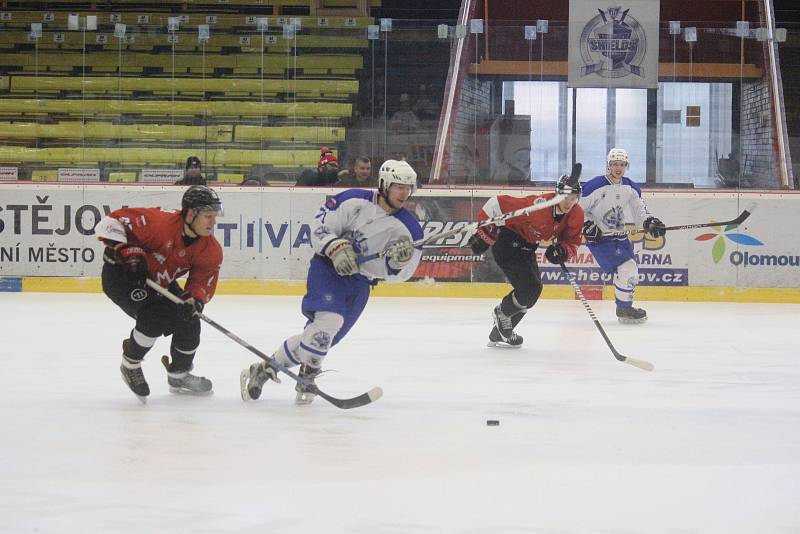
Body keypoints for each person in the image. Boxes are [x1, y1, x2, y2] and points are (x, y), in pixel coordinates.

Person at [240, 159, 423, 405]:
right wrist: (335, 247)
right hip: (328, 268)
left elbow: (403, 273)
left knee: (321, 337)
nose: (405, 193)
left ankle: (263, 369)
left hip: (360, 284)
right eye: (399, 187)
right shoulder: (353, 200)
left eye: (408, 188)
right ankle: (308, 376)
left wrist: (398, 263)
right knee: (329, 322)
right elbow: (319, 226)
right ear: (384, 184)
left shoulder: (410, 229)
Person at [93, 185, 223, 402]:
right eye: (208, 216)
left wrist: (195, 300)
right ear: (190, 214)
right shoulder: (159, 222)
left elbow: (201, 281)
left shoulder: (210, 249)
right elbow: (108, 224)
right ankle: (130, 364)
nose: (213, 222)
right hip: (121, 276)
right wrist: (128, 251)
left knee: (190, 319)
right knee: (154, 317)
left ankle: (178, 375)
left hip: (158, 280)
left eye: (214, 216)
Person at [468, 174, 584, 348]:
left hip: (527, 247)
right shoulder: (538, 206)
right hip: (507, 243)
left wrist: (563, 251)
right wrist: (483, 230)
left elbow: (573, 241)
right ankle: (502, 313)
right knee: (528, 289)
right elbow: (496, 204)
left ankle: (499, 333)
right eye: (566, 197)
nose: (569, 203)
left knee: (534, 291)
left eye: (573, 198)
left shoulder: (576, 213)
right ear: (557, 194)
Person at [580, 148, 666, 324]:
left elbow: (639, 211)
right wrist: (586, 225)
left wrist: (650, 222)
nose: (618, 168)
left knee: (630, 271)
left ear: (626, 165)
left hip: (619, 236)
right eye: (614, 164)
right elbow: (576, 209)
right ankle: (624, 309)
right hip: (599, 237)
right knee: (627, 268)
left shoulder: (631, 187)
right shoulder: (595, 185)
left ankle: (624, 306)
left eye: (621, 164)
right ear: (608, 165)